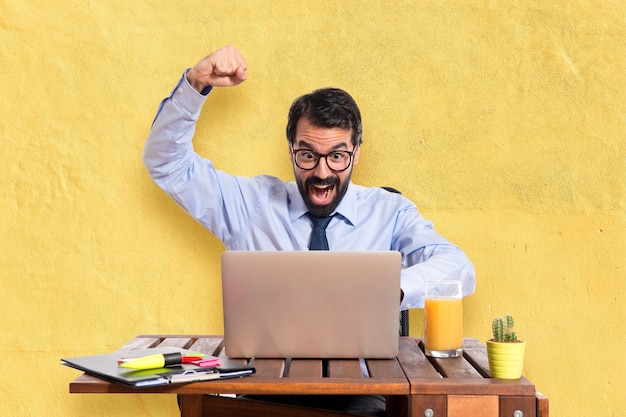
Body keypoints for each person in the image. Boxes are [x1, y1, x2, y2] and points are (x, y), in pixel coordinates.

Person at [143, 45, 476, 416]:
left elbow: (458, 266)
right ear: (290, 152)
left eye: (337, 156)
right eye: (307, 155)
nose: (321, 172)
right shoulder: (251, 205)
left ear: (356, 154)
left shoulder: (389, 212)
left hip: (362, 395)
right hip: (265, 388)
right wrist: (195, 84)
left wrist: (394, 288)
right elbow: (166, 164)